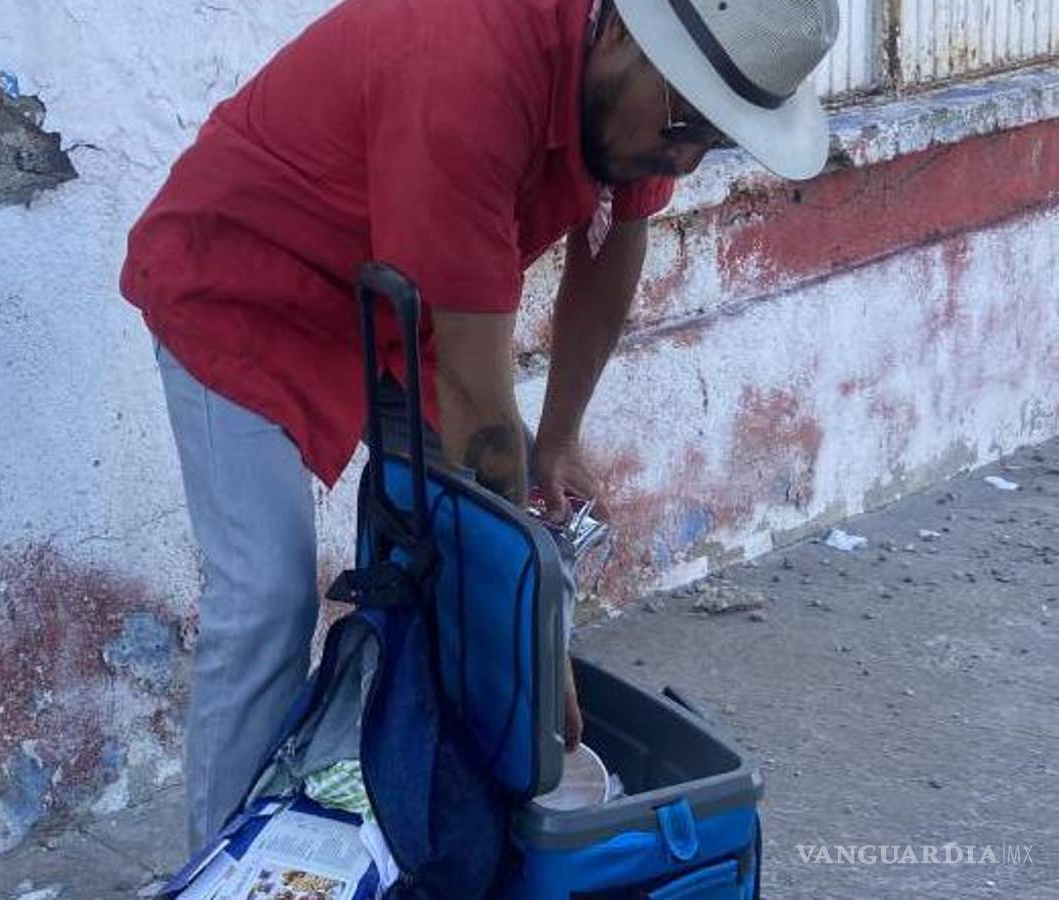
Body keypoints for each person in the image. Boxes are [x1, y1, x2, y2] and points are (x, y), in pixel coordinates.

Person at [120, 0, 839, 851]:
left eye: (711, 139)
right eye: (684, 125)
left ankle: (422, 821)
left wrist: (562, 437)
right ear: (618, 33)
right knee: (268, 598)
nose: (683, 155)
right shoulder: (464, 67)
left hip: (394, 299)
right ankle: (222, 863)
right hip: (240, 284)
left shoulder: (653, 88)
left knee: (493, 551)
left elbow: (613, 249)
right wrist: (530, 646)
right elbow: (475, 400)